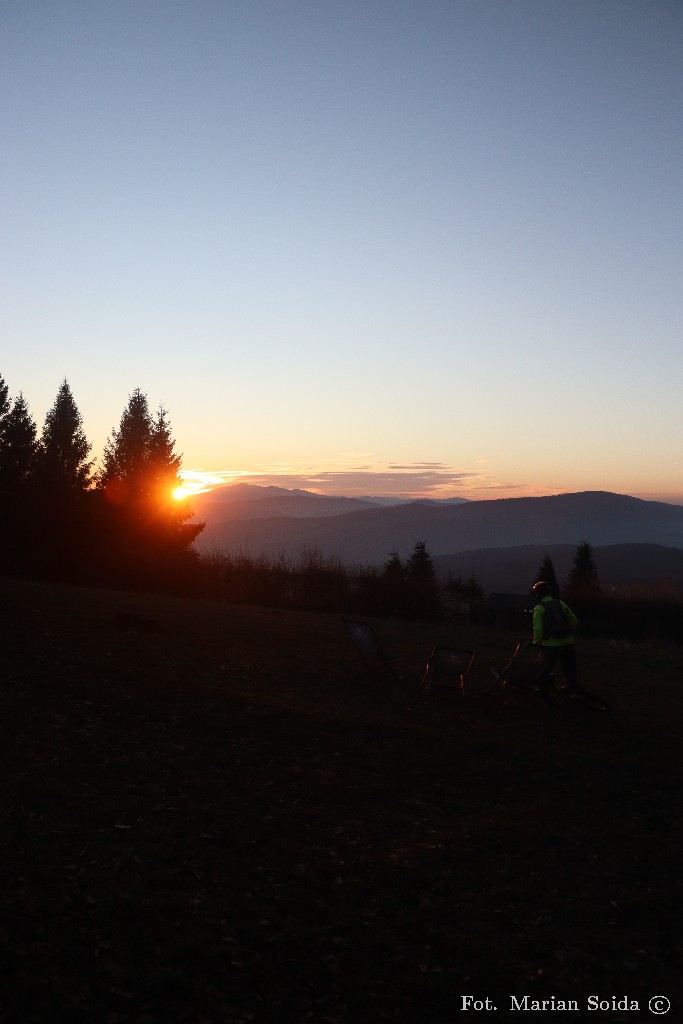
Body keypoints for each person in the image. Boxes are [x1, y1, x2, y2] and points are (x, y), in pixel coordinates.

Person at [531, 580, 580, 693]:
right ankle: (573, 694)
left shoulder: (539, 608)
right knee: (570, 670)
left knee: (544, 668)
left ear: (538, 594)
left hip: (551, 646)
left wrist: (536, 645)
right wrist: (568, 632)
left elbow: (538, 630)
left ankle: (541, 690)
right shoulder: (560, 603)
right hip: (568, 643)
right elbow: (574, 621)